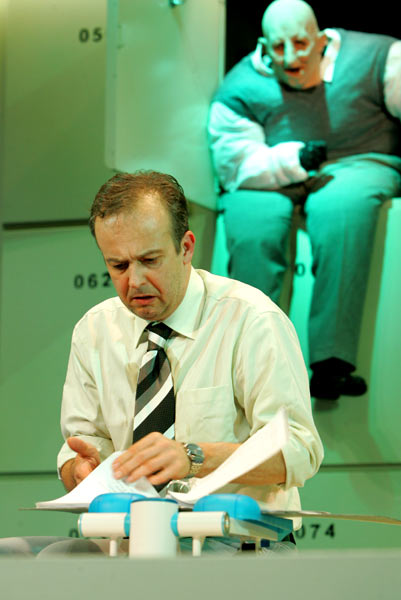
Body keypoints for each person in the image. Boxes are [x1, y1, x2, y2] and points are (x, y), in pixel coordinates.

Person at [54, 169, 323, 555]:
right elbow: (79, 448)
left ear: (186, 247)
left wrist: (193, 457)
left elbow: (298, 449)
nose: (135, 281)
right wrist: (79, 472)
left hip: (237, 544)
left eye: (149, 260)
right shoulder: (94, 330)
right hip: (130, 543)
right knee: (35, 558)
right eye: (119, 266)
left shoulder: (251, 319)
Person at [208, 0, 401, 400]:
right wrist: (293, 160)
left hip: (355, 162)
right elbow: (235, 164)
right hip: (268, 174)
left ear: (320, 39)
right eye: (279, 47)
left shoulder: (379, 57)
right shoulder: (239, 86)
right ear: (264, 46)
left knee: (342, 212)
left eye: (300, 43)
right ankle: (249, 369)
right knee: (252, 231)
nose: (291, 57)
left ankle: (332, 364)